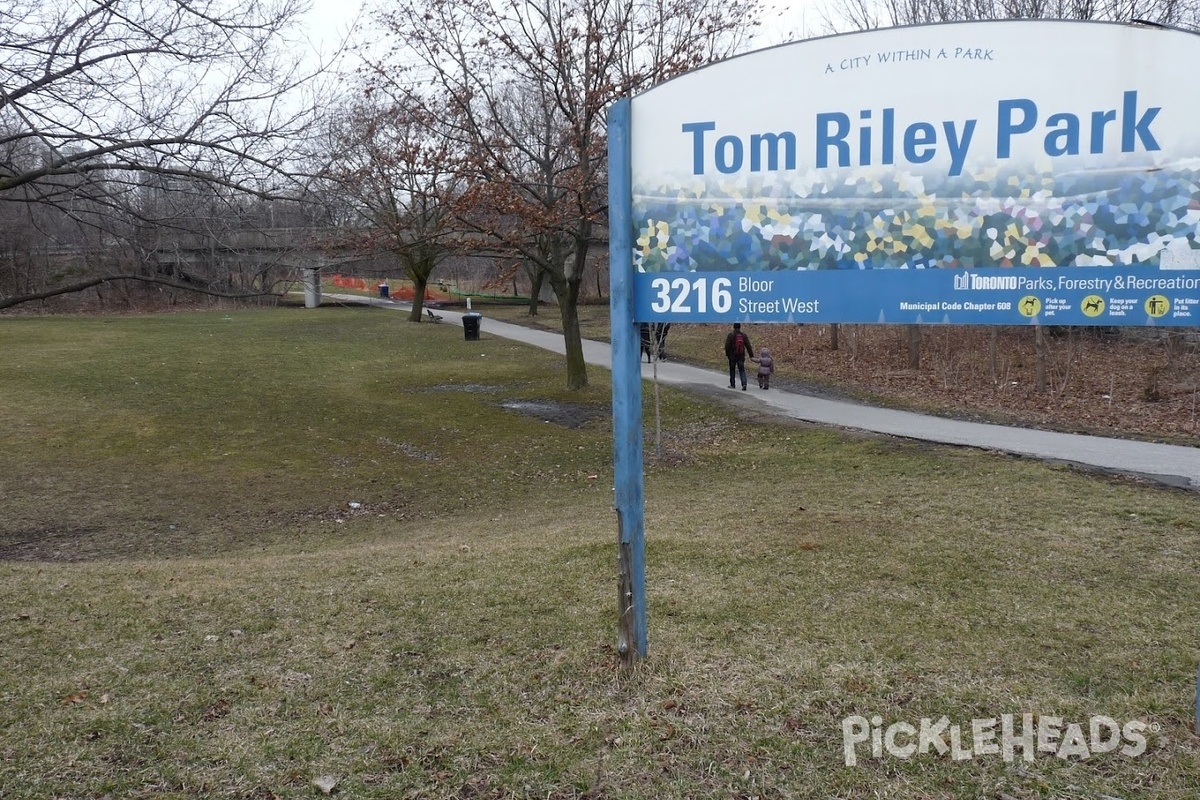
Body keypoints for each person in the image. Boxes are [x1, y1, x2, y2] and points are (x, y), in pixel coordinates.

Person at [723, 322, 753, 390]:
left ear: (733, 327)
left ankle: (732, 384)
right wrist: (751, 355)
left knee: (732, 370)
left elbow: (727, 346)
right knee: (742, 370)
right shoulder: (743, 335)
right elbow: (748, 346)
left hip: (732, 356)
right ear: (740, 327)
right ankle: (744, 383)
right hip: (741, 356)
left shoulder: (731, 335)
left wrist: (727, 354)